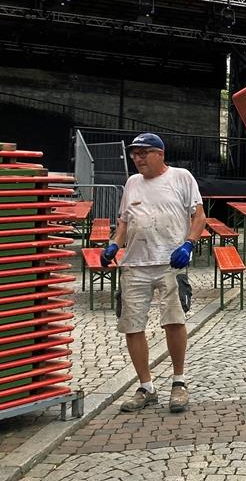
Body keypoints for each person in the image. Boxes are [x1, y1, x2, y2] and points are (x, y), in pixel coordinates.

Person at [101, 133, 204, 414]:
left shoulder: (182, 177)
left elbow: (199, 217)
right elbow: (124, 222)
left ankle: (179, 382)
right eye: (135, 153)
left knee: (173, 320)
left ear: (160, 153)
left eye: (144, 152)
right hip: (135, 264)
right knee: (132, 325)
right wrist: (113, 245)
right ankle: (146, 386)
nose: (138, 158)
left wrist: (188, 243)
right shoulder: (132, 183)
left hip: (170, 261)